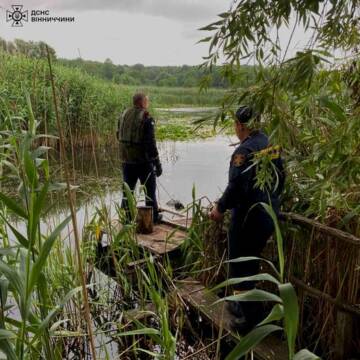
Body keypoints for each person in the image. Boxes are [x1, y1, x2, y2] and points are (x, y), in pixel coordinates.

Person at [209, 105, 285, 330]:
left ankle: (250, 320)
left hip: (248, 218)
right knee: (251, 262)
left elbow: (237, 187)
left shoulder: (244, 151)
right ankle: (242, 306)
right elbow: (281, 178)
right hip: (268, 213)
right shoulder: (271, 143)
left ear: (240, 125)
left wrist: (219, 208)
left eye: (235, 124)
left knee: (241, 265)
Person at [117, 92, 162, 223]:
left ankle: (127, 219)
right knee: (150, 191)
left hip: (126, 161)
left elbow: (117, 135)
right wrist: (157, 164)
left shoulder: (123, 115)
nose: (147, 104)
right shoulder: (146, 117)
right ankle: (153, 218)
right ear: (142, 102)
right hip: (143, 162)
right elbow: (151, 144)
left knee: (127, 192)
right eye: (147, 101)